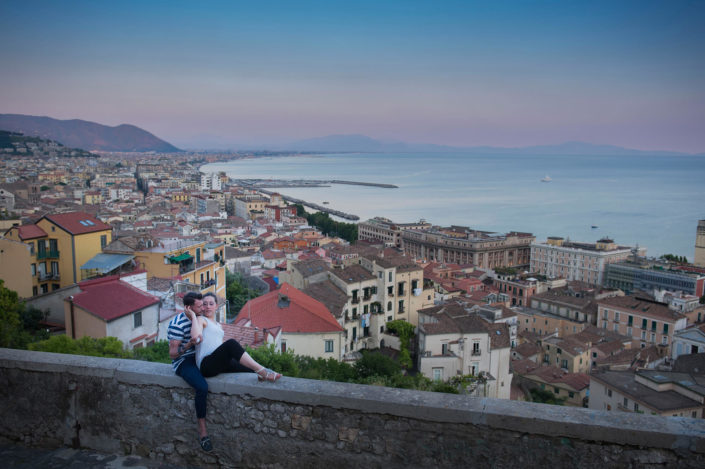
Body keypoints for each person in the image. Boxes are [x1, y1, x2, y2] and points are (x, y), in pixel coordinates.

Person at [185, 292, 281, 381]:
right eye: (204, 304)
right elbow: (195, 336)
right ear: (202, 307)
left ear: (216, 306)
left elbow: (219, 345)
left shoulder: (219, 326)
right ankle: (263, 372)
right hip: (206, 365)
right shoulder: (201, 319)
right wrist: (193, 316)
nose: (208, 307)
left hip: (218, 361)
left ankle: (262, 372)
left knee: (246, 365)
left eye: (211, 304)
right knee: (231, 343)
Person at [167, 292, 213, 452]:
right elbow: (172, 354)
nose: (203, 308)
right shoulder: (177, 324)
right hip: (184, 361)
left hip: (198, 356)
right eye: (199, 306)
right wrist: (187, 345)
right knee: (202, 387)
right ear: (188, 308)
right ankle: (202, 431)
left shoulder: (200, 318)